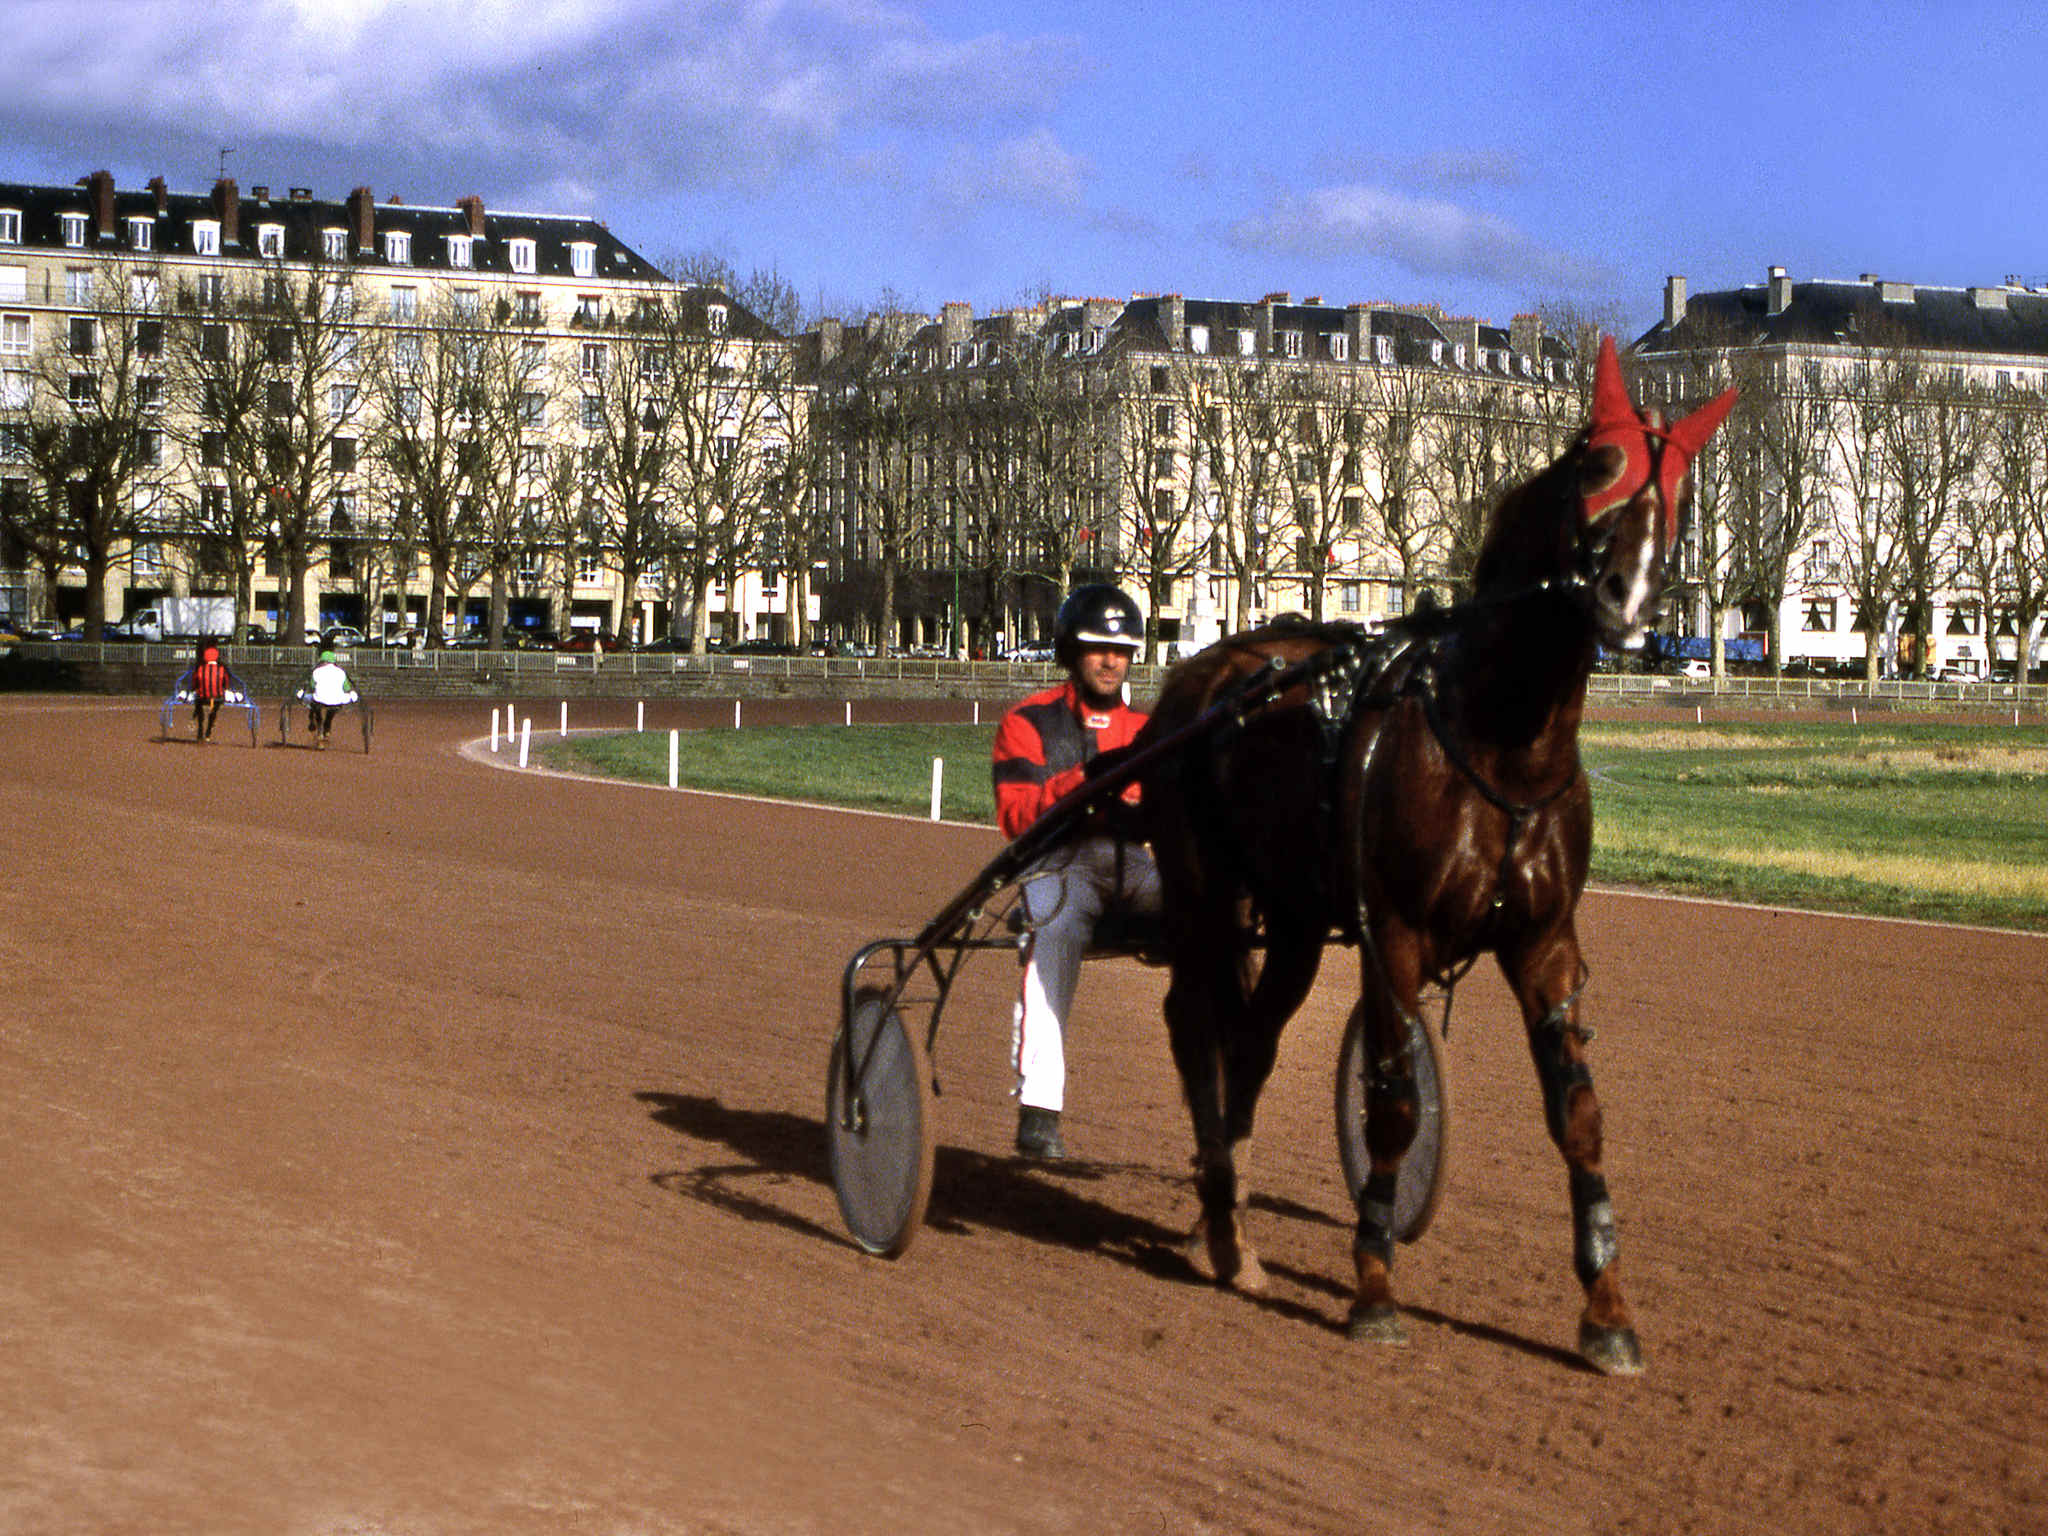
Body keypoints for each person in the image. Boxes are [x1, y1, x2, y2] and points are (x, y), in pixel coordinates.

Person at [990, 583, 1160, 1160]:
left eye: (1123, 649)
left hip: (1131, 865)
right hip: (1060, 863)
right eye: (1097, 648)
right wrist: (1086, 782)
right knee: (1054, 930)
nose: (1112, 660)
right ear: (1070, 650)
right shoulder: (1027, 723)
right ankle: (1040, 1107)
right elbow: (1016, 815)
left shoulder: (1151, 731)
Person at [304, 648, 359, 749]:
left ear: (322, 661)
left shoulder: (316, 671)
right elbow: (346, 687)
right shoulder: (341, 672)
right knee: (333, 709)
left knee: (311, 702)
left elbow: (312, 687)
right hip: (337, 700)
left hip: (319, 700)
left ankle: (320, 731)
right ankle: (327, 729)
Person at [189, 640, 231, 743]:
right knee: (215, 707)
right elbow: (226, 683)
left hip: (202, 697)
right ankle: (208, 732)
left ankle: (200, 730)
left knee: (198, 702)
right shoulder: (222, 668)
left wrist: (193, 689)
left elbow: (194, 683)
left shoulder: (199, 668)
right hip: (217, 698)